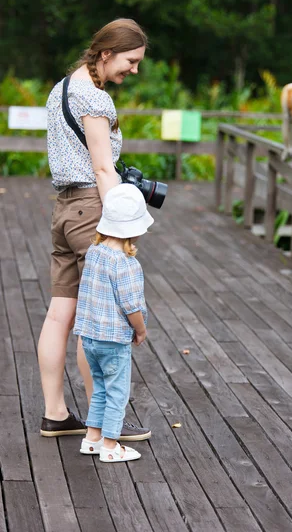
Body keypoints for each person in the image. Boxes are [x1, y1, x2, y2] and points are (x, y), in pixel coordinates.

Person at [39, 18, 151, 441]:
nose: (134, 70)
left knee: (60, 312)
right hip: (91, 209)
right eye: (131, 60)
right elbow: (104, 168)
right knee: (99, 319)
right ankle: (104, 422)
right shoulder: (95, 99)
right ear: (106, 54)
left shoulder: (63, 87)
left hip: (65, 209)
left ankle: (56, 414)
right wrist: (122, 222)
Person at [76, 184, 153, 462]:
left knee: (100, 387)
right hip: (113, 340)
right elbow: (131, 305)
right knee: (117, 392)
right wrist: (140, 329)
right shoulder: (126, 264)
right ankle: (111, 445)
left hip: (90, 338)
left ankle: (92, 438)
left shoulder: (94, 253)